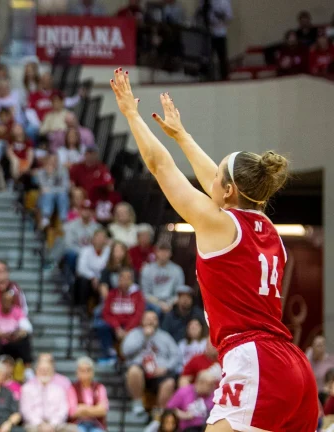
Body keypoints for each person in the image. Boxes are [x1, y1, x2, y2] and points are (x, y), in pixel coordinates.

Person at [110, 68, 318, 431]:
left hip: (255, 359)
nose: (210, 185)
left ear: (226, 192)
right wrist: (183, 136)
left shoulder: (218, 223)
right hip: (295, 367)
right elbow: (219, 183)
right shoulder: (269, 229)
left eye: (217, 180)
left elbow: (160, 166)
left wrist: (131, 113)